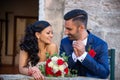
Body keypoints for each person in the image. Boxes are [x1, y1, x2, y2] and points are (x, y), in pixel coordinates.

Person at [59, 9, 109, 79]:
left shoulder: (100, 45)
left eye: (69, 29)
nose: (65, 32)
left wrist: (83, 55)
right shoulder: (64, 43)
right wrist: (74, 56)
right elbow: (60, 70)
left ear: (81, 28)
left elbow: (104, 73)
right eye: (65, 28)